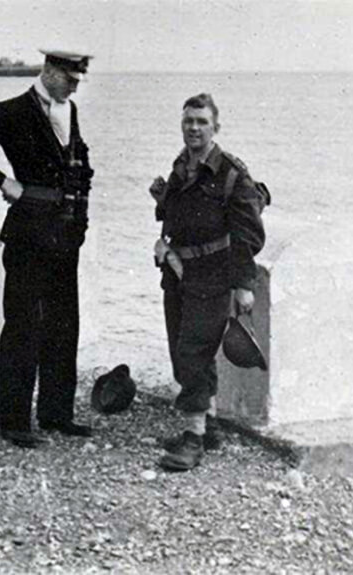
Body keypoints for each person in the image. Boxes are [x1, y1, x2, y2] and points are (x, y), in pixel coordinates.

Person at [0, 49, 95, 449]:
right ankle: (14, 421)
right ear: (48, 70)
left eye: (79, 77)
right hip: (28, 235)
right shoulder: (10, 111)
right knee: (23, 326)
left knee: (64, 325)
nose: (76, 83)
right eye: (70, 76)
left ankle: (56, 413)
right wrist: (0, 182)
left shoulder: (70, 110)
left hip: (65, 236)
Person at [149, 93, 266, 471]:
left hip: (214, 275)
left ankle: (194, 438)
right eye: (188, 121)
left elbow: (249, 234)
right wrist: (161, 199)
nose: (194, 128)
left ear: (216, 126)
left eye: (201, 121)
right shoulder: (181, 166)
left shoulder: (232, 173)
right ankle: (210, 423)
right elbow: (177, 213)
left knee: (193, 352)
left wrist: (244, 285)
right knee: (180, 348)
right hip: (178, 273)